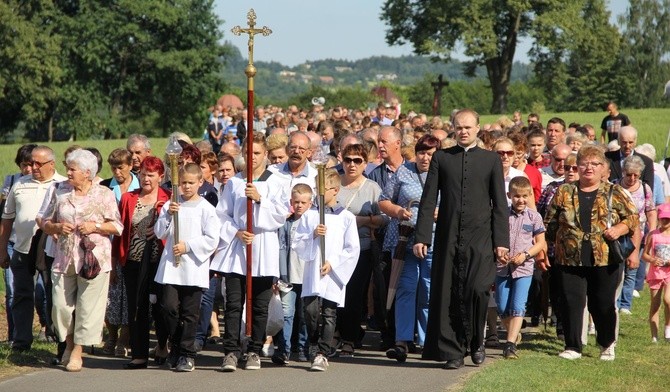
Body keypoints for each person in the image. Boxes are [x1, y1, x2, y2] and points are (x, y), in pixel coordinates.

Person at [413, 109, 509, 370]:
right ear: (453, 129)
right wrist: (422, 236)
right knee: (449, 293)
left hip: (481, 237)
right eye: (459, 127)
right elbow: (428, 199)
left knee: (477, 290)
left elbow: (500, 203)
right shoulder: (442, 158)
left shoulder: (490, 160)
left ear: (478, 128)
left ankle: (477, 342)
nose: (464, 131)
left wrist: (502, 241)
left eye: (468, 127)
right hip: (448, 235)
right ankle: (453, 351)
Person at [543, 145, 639, 361]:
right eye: (584, 163)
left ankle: (607, 344)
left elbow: (632, 219)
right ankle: (573, 346)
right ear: (577, 167)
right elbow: (549, 221)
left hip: (605, 257)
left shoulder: (615, 191)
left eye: (594, 164)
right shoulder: (565, 191)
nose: (589, 168)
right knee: (571, 301)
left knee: (602, 302)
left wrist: (619, 229)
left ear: (603, 168)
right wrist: (549, 245)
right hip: (569, 257)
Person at [213, 133, 288, 372]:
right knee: (234, 303)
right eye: (249, 153)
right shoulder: (234, 182)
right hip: (238, 249)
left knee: (259, 305)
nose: (253, 158)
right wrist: (235, 231)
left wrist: (259, 199)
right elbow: (221, 214)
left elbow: (280, 215)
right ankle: (231, 351)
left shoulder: (276, 181)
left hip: (263, 246)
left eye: (257, 153)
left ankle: (255, 350)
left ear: (265, 155)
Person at [41, 149, 123, 371]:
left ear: (87, 173)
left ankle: (77, 350)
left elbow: (117, 226)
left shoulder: (104, 194)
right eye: (67, 167)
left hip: (94, 259)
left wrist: (95, 226)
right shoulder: (59, 190)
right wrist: (56, 227)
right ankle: (68, 343)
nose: (67, 172)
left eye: (72, 169)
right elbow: (44, 221)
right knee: (60, 307)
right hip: (64, 257)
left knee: (88, 308)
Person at [292, 168, 360, 371]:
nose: (318, 194)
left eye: (323, 190)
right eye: (316, 189)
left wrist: (333, 262)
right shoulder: (309, 215)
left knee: (329, 313)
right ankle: (313, 341)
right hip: (313, 271)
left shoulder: (346, 217)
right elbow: (297, 241)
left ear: (335, 190)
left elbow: (352, 248)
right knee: (310, 311)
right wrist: (313, 235)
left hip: (333, 272)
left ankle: (322, 352)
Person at [154, 163, 221, 372]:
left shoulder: (206, 209)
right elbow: (159, 233)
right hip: (171, 268)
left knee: (190, 313)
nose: (187, 187)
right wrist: (167, 215)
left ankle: (187, 354)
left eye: (191, 183)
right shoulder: (171, 205)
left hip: (193, 266)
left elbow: (212, 239)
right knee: (169, 307)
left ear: (200, 183)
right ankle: (176, 344)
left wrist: (188, 246)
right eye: (183, 183)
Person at [378, 135, 439, 362]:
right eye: (421, 152)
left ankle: (425, 340)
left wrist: (440, 213)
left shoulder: (443, 174)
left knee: (428, 290)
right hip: (405, 240)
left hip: (433, 241)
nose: (425, 157)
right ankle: (402, 341)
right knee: (405, 289)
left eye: (430, 154)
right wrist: (399, 212)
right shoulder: (404, 172)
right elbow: (383, 201)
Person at [0, 146, 66, 352]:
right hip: (21, 248)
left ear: (51, 164)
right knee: (21, 294)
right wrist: (2, 250)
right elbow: (7, 218)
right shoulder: (20, 184)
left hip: (50, 250)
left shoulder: (63, 185)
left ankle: (58, 338)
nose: (33, 167)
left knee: (53, 295)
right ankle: (21, 342)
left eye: (39, 163)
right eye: (31, 163)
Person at [114, 157, 171, 369]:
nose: (146, 178)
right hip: (133, 262)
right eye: (143, 174)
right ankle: (139, 354)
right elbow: (121, 232)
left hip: (160, 262)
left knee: (163, 307)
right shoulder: (128, 198)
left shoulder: (169, 198)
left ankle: (164, 344)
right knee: (137, 308)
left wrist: (158, 232)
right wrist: (115, 260)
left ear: (161, 177)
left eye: (151, 175)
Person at [336, 144, 386, 357]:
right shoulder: (333, 183)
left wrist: (361, 221)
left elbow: (384, 218)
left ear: (366, 163)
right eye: (348, 160)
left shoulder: (372, 188)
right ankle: (345, 331)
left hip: (362, 248)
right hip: (334, 250)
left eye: (357, 160)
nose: (352, 164)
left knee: (355, 293)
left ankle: (348, 338)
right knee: (336, 293)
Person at [495, 176, 546, 359]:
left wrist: (525, 255)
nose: (521, 200)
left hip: (524, 268)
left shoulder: (534, 216)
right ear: (509, 195)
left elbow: (540, 243)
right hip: (502, 267)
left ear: (530, 195)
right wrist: (498, 252)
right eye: (517, 196)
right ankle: (514, 333)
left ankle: (509, 345)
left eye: (525, 196)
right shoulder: (501, 215)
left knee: (518, 306)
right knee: (502, 307)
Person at [99, 148, 140, 357]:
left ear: (131, 166)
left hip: (134, 248)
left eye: (121, 168)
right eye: (113, 168)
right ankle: (112, 335)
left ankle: (124, 339)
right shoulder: (104, 187)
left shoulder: (141, 186)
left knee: (130, 296)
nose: (117, 172)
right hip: (108, 248)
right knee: (110, 295)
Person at [271, 184, 313, 365]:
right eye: (296, 202)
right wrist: (278, 276)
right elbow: (280, 249)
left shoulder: (313, 223)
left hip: (307, 277)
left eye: (303, 202)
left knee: (305, 315)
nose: (299, 206)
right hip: (288, 277)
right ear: (291, 202)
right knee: (286, 312)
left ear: (310, 203)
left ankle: (304, 348)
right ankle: (284, 349)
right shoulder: (285, 224)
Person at [1, 144, 36, 344]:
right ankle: (15, 335)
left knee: (40, 291)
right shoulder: (12, 181)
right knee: (13, 291)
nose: (29, 170)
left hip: (37, 245)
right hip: (13, 243)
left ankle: (48, 329)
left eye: (32, 165)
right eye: (25, 165)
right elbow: (4, 215)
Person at [615, 155, 656, 315]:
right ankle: (616, 302)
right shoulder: (615, 186)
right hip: (618, 233)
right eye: (629, 174)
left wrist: (651, 232)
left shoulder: (645, 188)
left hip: (638, 233)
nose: (632, 178)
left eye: (635, 175)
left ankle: (625, 303)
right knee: (618, 268)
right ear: (623, 172)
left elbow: (650, 211)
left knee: (632, 268)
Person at [641, 203, 670, 343]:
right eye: (663, 219)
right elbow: (644, 255)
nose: (665, 222)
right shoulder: (653, 235)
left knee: (668, 300)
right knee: (655, 304)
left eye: (668, 219)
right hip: (656, 273)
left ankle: (668, 329)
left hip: (669, 272)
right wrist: (653, 259)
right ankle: (654, 336)